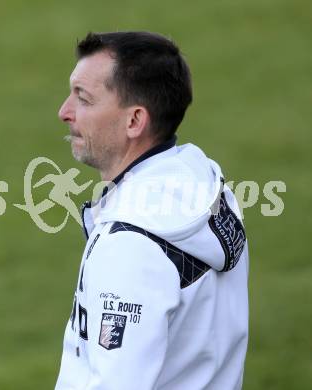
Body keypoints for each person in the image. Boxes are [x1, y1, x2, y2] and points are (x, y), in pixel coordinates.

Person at [54, 31, 249, 390]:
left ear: (134, 121)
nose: (64, 112)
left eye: (83, 98)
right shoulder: (204, 183)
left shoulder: (131, 245)